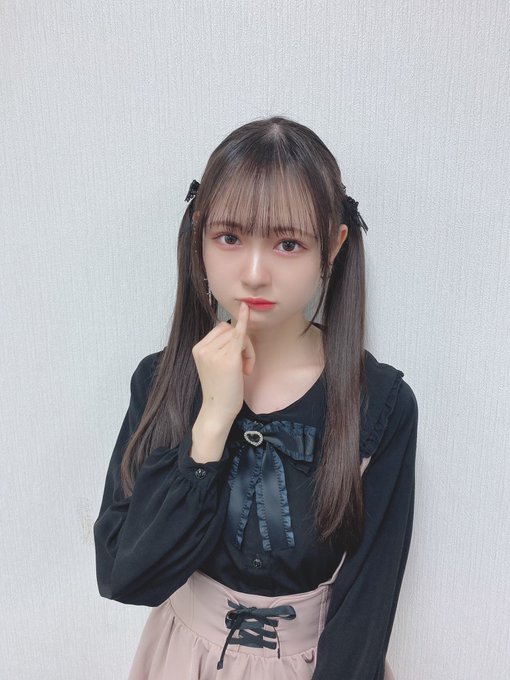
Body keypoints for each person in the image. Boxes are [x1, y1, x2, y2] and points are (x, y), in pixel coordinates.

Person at [93, 116, 418, 680]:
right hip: (182, 660)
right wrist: (211, 426)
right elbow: (126, 576)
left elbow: (367, 603)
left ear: (333, 247)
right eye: (230, 237)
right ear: (199, 235)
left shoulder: (381, 403)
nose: (254, 273)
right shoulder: (160, 382)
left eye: (288, 244)